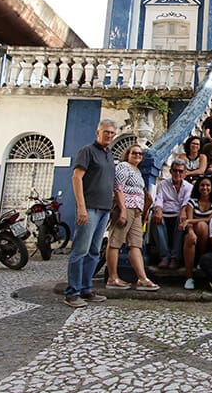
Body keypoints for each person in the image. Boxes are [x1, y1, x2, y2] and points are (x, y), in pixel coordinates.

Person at [63, 119, 117, 307]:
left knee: (94, 251)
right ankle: (72, 292)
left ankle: (86, 288)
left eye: (112, 133)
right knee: (80, 250)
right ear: (98, 132)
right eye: (106, 132)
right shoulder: (87, 151)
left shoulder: (109, 154)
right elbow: (77, 177)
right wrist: (81, 207)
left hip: (104, 209)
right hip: (90, 208)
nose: (109, 135)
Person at [106, 143, 160, 292]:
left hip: (137, 211)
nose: (137, 155)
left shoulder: (137, 171)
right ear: (127, 155)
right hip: (126, 208)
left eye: (140, 154)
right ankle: (112, 277)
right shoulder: (124, 166)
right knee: (115, 242)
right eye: (134, 153)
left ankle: (142, 278)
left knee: (135, 244)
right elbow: (118, 187)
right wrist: (122, 210)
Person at [180, 176, 212, 290]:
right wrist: (190, 231)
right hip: (193, 232)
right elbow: (188, 223)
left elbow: (210, 219)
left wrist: (189, 221)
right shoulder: (192, 202)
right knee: (190, 238)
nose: (205, 188)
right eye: (202, 185)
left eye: (208, 185)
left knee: (203, 225)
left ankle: (201, 258)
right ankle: (189, 278)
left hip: (210, 236)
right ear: (198, 188)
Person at [152, 159, 193, 270]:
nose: (177, 174)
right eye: (175, 171)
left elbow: (187, 202)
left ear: (185, 173)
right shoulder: (163, 184)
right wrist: (158, 210)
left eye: (180, 171)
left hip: (179, 213)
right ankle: (165, 256)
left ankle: (175, 257)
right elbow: (159, 199)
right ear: (170, 171)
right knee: (155, 219)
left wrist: (183, 211)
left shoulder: (189, 187)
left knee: (182, 220)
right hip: (165, 212)